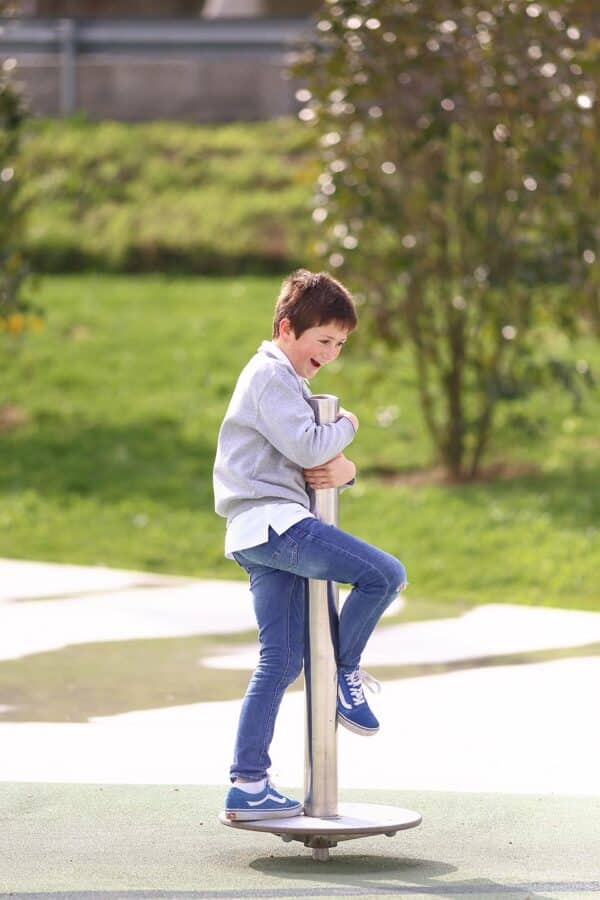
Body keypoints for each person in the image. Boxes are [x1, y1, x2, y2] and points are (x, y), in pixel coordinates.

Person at [213, 269, 407, 822]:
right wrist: (350, 423)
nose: (331, 353)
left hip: (256, 531)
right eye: (323, 340)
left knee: (280, 660)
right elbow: (308, 447)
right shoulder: (270, 374)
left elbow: (314, 465)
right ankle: (348, 673)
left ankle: (248, 784)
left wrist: (344, 471)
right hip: (277, 525)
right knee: (384, 575)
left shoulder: (282, 379)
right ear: (285, 328)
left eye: (340, 344)